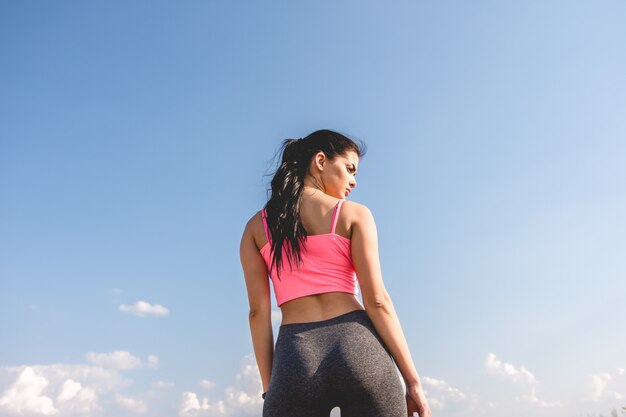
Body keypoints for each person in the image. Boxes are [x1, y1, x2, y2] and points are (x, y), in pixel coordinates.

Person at [239, 129, 431, 417]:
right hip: (359, 346)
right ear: (320, 161)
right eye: (349, 168)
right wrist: (413, 382)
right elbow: (377, 300)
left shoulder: (255, 229)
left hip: (296, 354)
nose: (353, 181)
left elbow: (257, 313)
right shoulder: (355, 214)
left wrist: (271, 388)